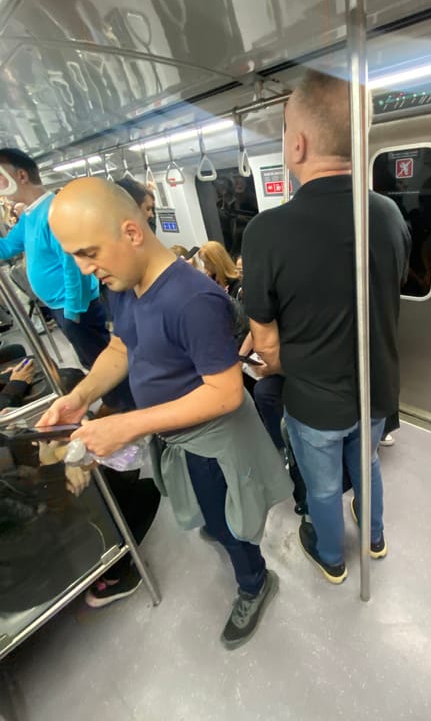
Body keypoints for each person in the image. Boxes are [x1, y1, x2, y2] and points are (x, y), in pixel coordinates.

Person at [39, 177, 291, 649]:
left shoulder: (193, 300)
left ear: (132, 232)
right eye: (75, 254)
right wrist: (81, 397)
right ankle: (224, 535)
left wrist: (127, 425)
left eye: (88, 252)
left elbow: (225, 393)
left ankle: (255, 582)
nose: (84, 268)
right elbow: (121, 346)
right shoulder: (124, 285)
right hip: (175, 436)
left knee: (232, 525)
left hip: (212, 442)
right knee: (212, 520)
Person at [242, 70, 411, 584]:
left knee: (321, 487)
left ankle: (332, 558)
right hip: (377, 387)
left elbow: (267, 347)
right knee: (370, 468)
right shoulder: (388, 214)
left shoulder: (265, 231)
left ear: (297, 144)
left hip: (316, 400)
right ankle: (375, 537)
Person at [0, 148, 128, 410]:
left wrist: (73, 310)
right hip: (60, 306)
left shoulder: (54, 212)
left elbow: (73, 266)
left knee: (102, 361)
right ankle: (119, 402)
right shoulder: (30, 216)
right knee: (93, 358)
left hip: (75, 306)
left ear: (21, 175)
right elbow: (5, 249)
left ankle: (125, 405)